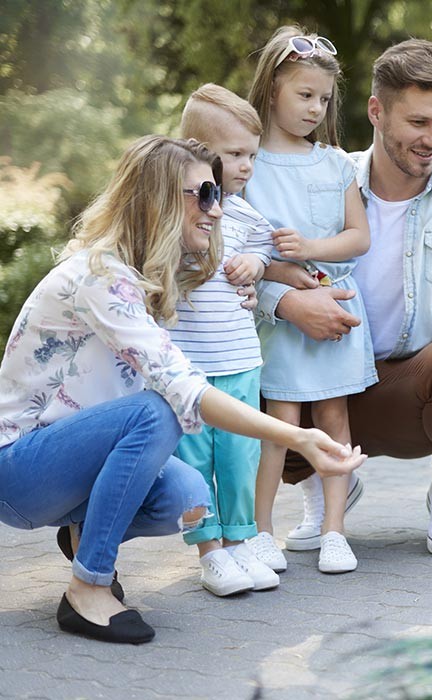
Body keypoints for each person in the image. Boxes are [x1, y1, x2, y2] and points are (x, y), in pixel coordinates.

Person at [0, 136, 364, 645]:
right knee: (158, 413)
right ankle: (88, 586)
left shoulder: (149, 273)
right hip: (18, 468)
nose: (217, 208)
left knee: (188, 496)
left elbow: (252, 267)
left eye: (217, 192)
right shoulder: (102, 276)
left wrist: (275, 284)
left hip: (69, 459)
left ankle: (84, 532)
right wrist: (300, 438)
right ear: (157, 199)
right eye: (204, 194)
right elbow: (183, 390)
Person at [254, 38, 432, 559]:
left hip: (403, 388)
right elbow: (247, 260)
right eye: (418, 123)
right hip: (316, 376)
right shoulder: (322, 173)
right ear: (376, 112)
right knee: (250, 371)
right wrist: (287, 304)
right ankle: (320, 490)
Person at [245, 26, 376, 575]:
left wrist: (311, 248)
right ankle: (260, 533)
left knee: (334, 416)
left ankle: (334, 533)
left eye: (323, 99)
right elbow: (237, 246)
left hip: (338, 305)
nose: (315, 109)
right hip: (280, 319)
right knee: (278, 425)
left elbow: (358, 237)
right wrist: (281, 268)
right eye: (304, 95)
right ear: (272, 88)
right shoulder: (247, 163)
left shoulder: (335, 163)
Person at [171, 84, 281, 596]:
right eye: (235, 154)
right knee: (193, 464)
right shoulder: (177, 215)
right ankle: (209, 552)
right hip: (187, 368)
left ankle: (239, 544)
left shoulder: (247, 217)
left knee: (239, 458)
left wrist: (256, 266)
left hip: (238, 360)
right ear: (196, 151)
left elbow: (264, 247)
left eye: (252, 155)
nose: (246, 166)